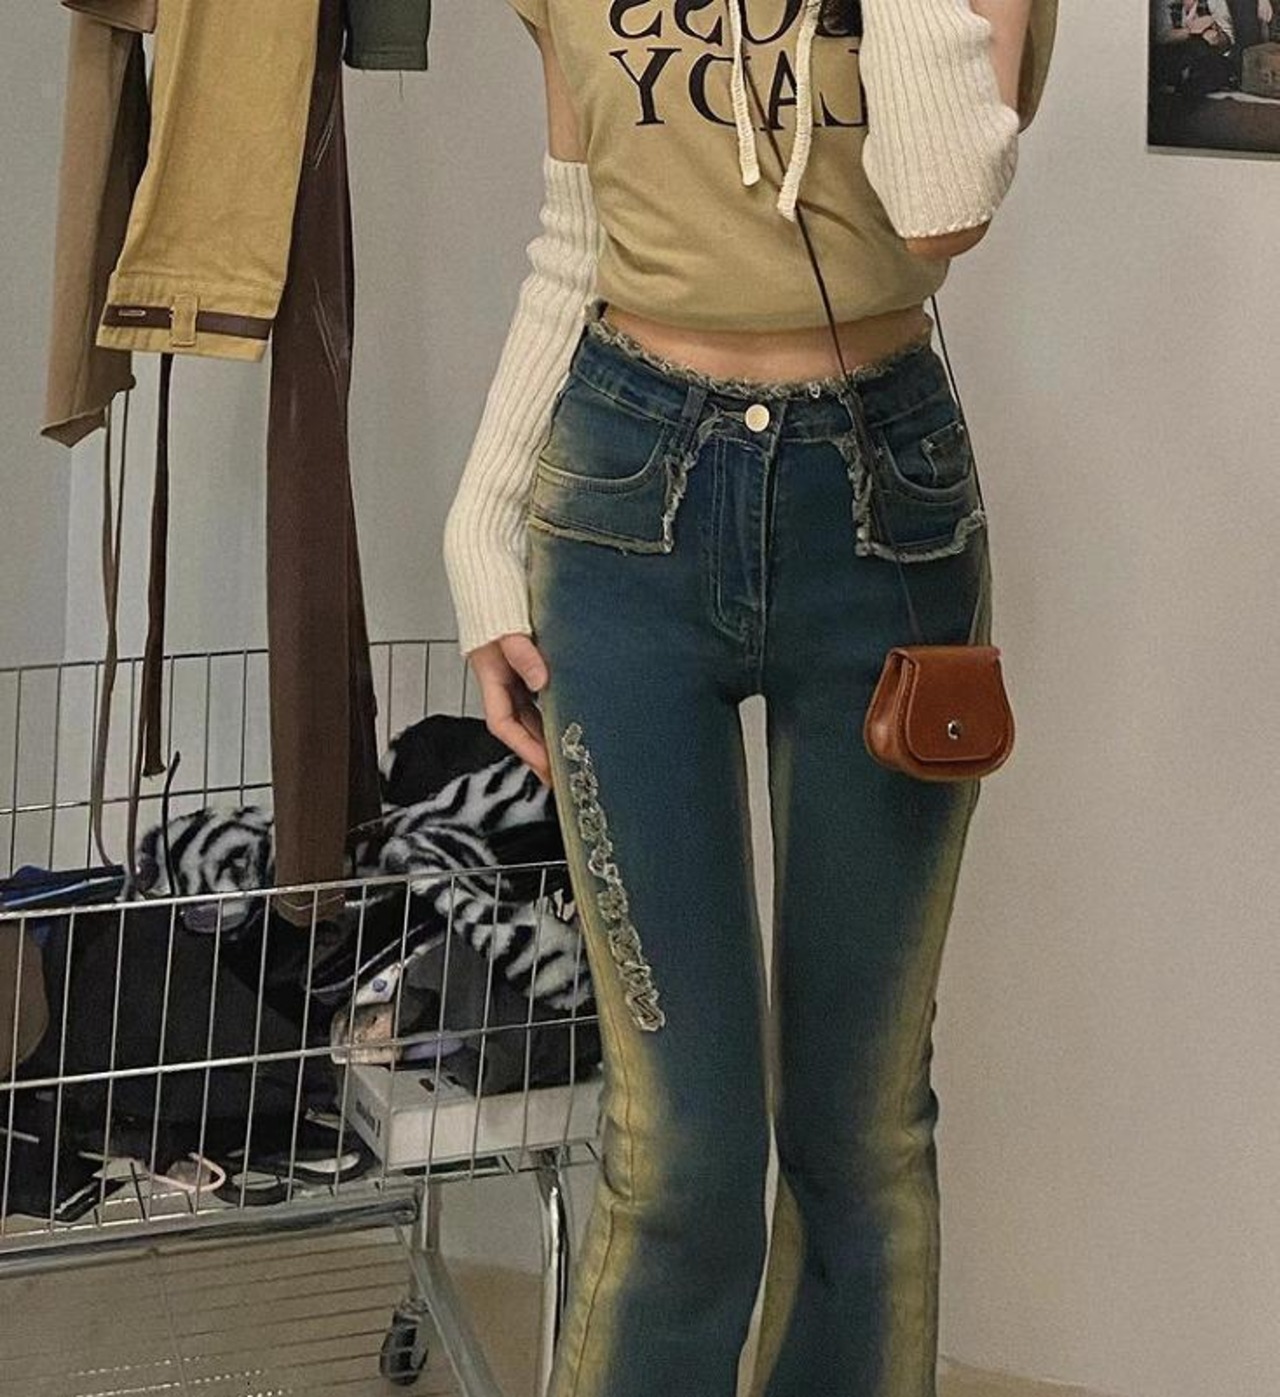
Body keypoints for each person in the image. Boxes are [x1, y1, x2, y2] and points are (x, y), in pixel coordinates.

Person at [443, 2, 1056, 1394]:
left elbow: (940, 210)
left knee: (860, 1127)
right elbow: (573, 238)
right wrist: (478, 524)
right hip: (621, 490)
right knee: (679, 1148)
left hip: (879, 502)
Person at [1152, 0, 1238, 96]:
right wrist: (1191, 31)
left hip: (1204, 59)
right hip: (1168, 60)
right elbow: (1157, 36)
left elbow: (1228, 40)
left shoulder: (1215, 2)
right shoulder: (1163, 3)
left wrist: (1218, 38)